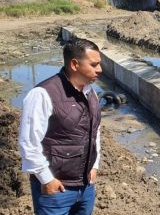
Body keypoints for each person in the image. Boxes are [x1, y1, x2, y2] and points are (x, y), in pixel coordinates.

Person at [19, 38, 103, 215]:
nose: (99, 70)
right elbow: (29, 143)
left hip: (86, 187)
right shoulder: (43, 94)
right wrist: (46, 179)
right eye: (94, 64)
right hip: (56, 190)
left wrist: (94, 165)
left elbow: (94, 131)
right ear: (74, 64)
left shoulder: (90, 92)